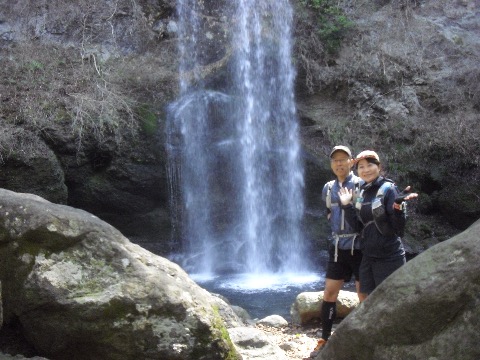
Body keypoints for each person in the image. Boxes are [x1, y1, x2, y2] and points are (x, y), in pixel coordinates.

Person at [310, 146, 367, 358]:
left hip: (360, 247)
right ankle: (324, 338)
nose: (339, 163)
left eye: (343, 159)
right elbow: (328, 212)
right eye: (335, 160)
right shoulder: (328, 188)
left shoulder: (360, 184)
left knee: (363, 296)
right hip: (337, 248)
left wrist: (348, 205)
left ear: (351, 162)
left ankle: (365, 339)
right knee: (329, 293)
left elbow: (364, 216)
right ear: (331, 164)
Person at [338, 150, 418, 298]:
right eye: (361, 167)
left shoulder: (389, 190)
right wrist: (346, 205)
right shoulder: (361, 192)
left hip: (389, 256)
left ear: (379, 167)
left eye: (370, 165)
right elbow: (357, 227)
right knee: (365, 298)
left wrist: (398, 207)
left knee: (390, 300)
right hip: (368, 256)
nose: (366, 170)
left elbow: (399, 229)